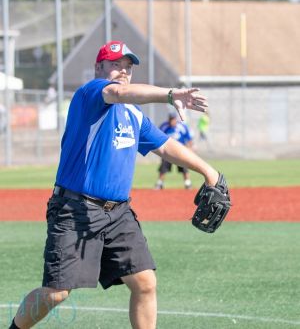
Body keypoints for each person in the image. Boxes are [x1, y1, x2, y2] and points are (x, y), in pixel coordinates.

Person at [9, 40, 220, 329]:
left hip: (118, 214)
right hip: (75, 208)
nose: (122, 71)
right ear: (99, 68)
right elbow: (117, 91)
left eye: (128, 67)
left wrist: (210, 172)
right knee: (56, 293)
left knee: (145, 282)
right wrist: (170, 95)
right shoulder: (92, 92)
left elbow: (166, 146)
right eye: (115, 64)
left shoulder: (133, 114)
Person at [155, 112, 194, 189]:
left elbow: (188, 139)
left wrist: (190, 149)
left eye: (173, 119)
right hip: (167, 151)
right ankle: (159, 183)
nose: (171, 121)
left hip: (180, 151)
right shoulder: (164, 126)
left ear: (176, 119)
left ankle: (187, 184)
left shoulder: (182, 127)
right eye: (170, 119)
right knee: (163, 168)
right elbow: (158, 138)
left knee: (184, 167)